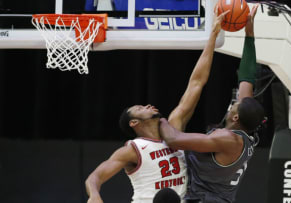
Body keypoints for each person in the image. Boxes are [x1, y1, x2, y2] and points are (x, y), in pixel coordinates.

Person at [85, 8, 230, 203]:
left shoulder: (173, 128)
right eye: (140, 108)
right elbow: (95, 177)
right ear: (134, 122)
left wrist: (212, 36)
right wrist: (94, 194)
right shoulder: (133, 149)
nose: (147, 105)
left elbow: (196, 83)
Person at [159, 4, 263, 203]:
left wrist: (158, 120)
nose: (234, 102)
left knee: (174, 120)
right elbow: (247, 78)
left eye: (236, 104)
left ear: (235, 117)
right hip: (211, 198)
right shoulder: (246, 133)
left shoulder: (228, 139)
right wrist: (249, 33)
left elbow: (173, 139)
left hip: (206, 200)